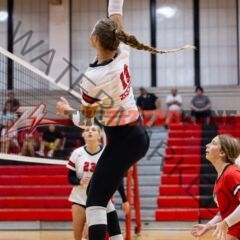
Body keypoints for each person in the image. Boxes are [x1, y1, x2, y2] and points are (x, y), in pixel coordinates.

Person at [56, 1, 193, 238]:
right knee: (100, 197)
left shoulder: (92, 78)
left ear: (95, 40)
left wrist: (68, 111)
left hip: (124, 140)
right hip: (131, 137)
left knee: (95, 201)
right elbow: (116, 14)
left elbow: (87, 120)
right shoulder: (122, 53)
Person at [67, 125, 130, 240]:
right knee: (77, 237)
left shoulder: (107, 153)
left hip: (99, 200)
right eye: (87, 130)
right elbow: (70, 177)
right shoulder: (77, 153)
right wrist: (79, 181)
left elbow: (116, 178)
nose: (90, 131)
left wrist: (124, 199)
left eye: (93, 130)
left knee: (89, 235)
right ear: (83, 135)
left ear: (100, 135)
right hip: (79, 198)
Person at [191, 134, 240, 240]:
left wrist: (226, 223)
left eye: (213, 143)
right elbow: (226, 210)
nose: (207, 145)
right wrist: (208, 226)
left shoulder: (231, 174)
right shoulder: (222, 176)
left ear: (222, 152)